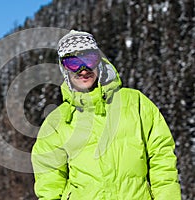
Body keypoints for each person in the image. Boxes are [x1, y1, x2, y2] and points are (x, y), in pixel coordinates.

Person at [31, 30, 181, 200]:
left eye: (88, 59)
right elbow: (49, 184)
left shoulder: (136, 103)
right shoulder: (57, 122)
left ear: (99, 61)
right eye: (73, 62)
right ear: (64, 68)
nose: (83, 70)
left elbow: (162, 160)